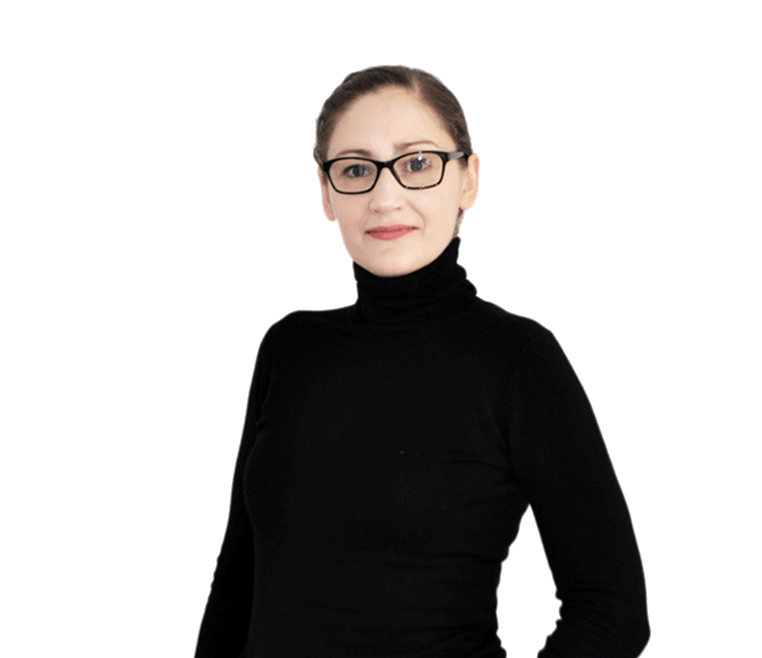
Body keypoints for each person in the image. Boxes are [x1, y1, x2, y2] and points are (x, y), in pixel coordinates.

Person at [193, 65, 650, 658]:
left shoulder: (517, 361)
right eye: (356, 169)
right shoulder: (291, 348)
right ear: (327, 193)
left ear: (468, 180)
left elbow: (612, 612)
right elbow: (237, 581)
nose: (386, 198)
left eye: (416, 163)